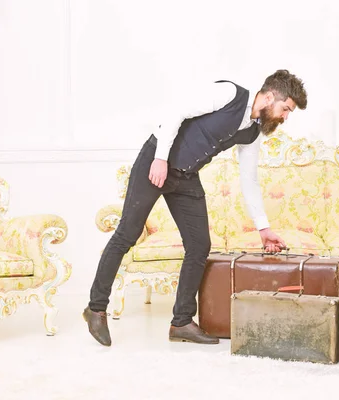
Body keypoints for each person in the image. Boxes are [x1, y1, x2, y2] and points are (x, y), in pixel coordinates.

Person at [83, 70, 308, 346]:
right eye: (285, 109)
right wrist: (160, 159)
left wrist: (264, 229)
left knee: (199, 245)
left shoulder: (253, 132)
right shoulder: (229, 94)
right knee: (127, 234)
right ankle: (95, 309)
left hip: (186, 176)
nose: (285, 117)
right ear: (270, 96)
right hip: (156, 161)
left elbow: (249, 180)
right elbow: (176, 110)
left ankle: (182, 322)